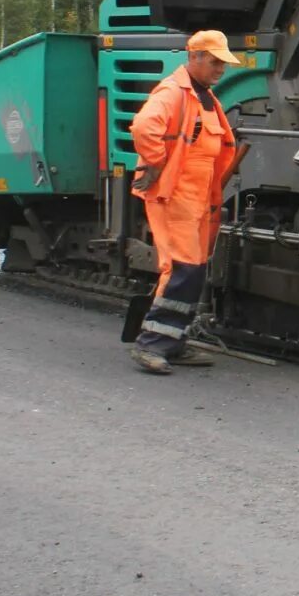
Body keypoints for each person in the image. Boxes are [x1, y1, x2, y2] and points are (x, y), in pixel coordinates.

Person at [127, 30, 242, 375]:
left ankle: (172, 341)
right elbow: (144, 127)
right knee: (182, 268)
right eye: (215, 61)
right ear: (194, 57)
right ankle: (152, 345)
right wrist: (160, 163)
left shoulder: (203, 95)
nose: (221, 68)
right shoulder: (173, 92)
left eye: (223, 62)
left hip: (197, 197)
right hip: (176, 194)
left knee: (192, 270)